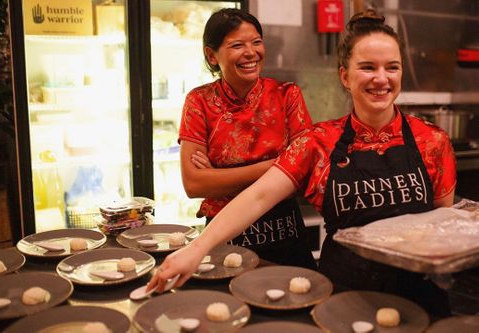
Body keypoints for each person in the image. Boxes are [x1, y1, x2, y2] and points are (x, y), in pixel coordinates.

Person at [150, 9, 456, 317]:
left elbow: (440, 226)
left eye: (392, 67)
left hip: (422, 302)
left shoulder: (433, 141)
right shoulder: (318, 143)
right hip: (346, 300)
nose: (381, 78)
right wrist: (195, 250)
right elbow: (257, 196)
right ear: (344, 76)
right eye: (367, 67)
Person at [177, 8, 316, 269]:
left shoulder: (287, 95)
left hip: (284, 232)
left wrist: (217, 177)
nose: (251, 52)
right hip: (224, 237)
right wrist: (277, 165)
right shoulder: (199, 102)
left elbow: (305, 174)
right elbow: (194, 184)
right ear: (212, 55)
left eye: (256, 42)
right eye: (237, 45)